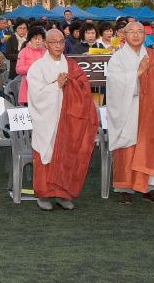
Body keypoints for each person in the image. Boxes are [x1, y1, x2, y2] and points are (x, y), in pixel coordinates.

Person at [27, 28, 100, 210]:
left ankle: (63, 194)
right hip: (47, 119)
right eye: (53, 42)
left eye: (61, 42)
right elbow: (35, 94)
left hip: (69, 119)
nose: (58, 45)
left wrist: (72, 84)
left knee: (68, 155)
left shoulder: (71, 65)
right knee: (46, 154)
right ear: (46, 44)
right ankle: (43, 195)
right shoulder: (37, 67)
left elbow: (83, 86)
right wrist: (56, 86)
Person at [106, 21, 154, 204]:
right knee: (127, 147)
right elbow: (114, 84)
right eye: (132, 32)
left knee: (150, 146)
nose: (136, 35)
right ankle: (125, 188)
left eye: (140, 31)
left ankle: (150, 188)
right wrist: (137, 73)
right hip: (127, 109)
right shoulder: (117, 58)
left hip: (150, 109)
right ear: (124, 34)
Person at [14, 27, 46, 104]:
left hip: (43, 89)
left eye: (40, 38)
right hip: (28, 87)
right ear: (30, 39)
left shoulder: (46, 52)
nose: (38, 41)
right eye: (35, 38)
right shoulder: (24, 52)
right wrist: (32, 67)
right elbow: (18, 69)